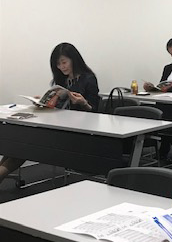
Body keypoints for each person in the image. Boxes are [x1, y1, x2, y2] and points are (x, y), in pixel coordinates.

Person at [0, 42, 99, 185]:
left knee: (25, 146)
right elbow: (57, 108)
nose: (61, 67)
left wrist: (83, 103)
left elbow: (96, 112)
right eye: (58, 64)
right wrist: (42, 103)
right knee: (18, 145)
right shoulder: (62, 80)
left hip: (76, 131)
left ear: (74, 59)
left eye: (64, 62)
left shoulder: (88, 79)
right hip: (56, 126)